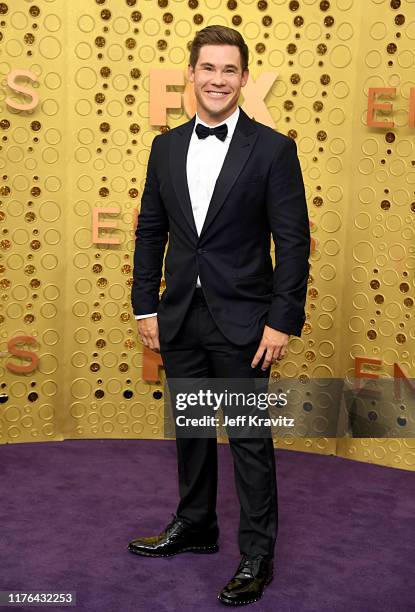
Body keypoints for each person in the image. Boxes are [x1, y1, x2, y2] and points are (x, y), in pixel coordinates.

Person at [128, 25, 310, 607]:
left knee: (250, 441)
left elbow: (294, 241)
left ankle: (257, 553)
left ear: (244, 79)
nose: (217, 79)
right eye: (208, 68)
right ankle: (197, 525)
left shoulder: (275, 150)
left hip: (246, 323)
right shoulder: (165, 147)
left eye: (229, 70)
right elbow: (151, 231)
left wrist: (281, 320)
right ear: (191, 74)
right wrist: (145, 305)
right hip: (179, 314)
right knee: (192, 431)